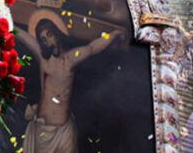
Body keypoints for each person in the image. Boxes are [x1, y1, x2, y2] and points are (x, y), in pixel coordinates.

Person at [16, 20, 122, 153]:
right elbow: (24, 37)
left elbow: (92, 48)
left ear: (56, 34)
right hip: (43, 131)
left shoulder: (70, 59)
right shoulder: (44, 60)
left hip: (64, 130)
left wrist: (113, 35)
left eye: (49, 35)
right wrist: (5, 21)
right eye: (43, 39)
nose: (48, 41)